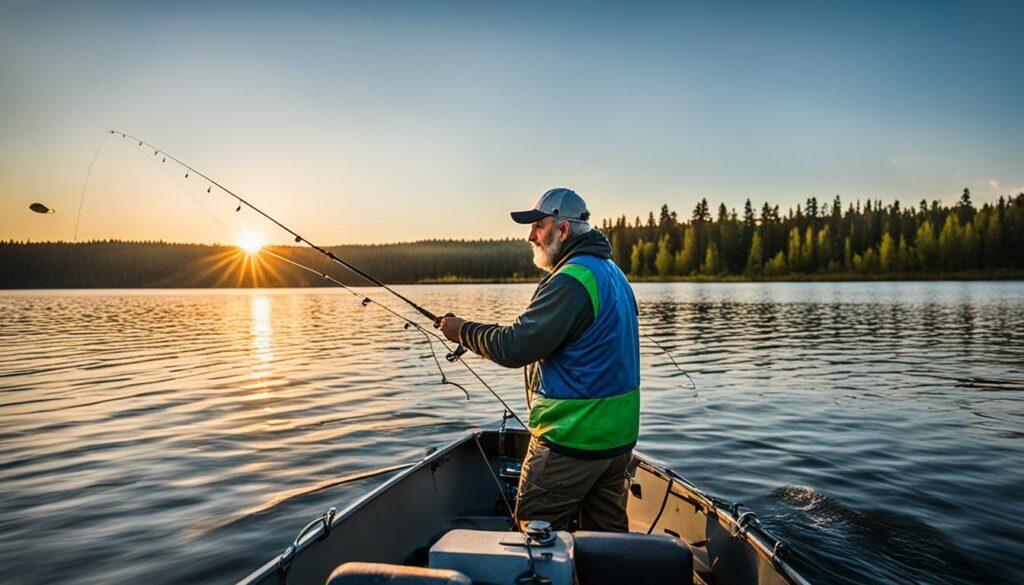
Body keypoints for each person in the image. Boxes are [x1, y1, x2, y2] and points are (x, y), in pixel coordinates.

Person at [439, 187, 640, 532]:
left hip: (571, 441)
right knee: (608, 542)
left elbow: (515, 346)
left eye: (538, 226)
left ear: (563, 230)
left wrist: (462, 331)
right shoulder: (613, 274)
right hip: (617, 443)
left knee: (535, 534)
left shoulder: (572, 280)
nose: (530, 236)